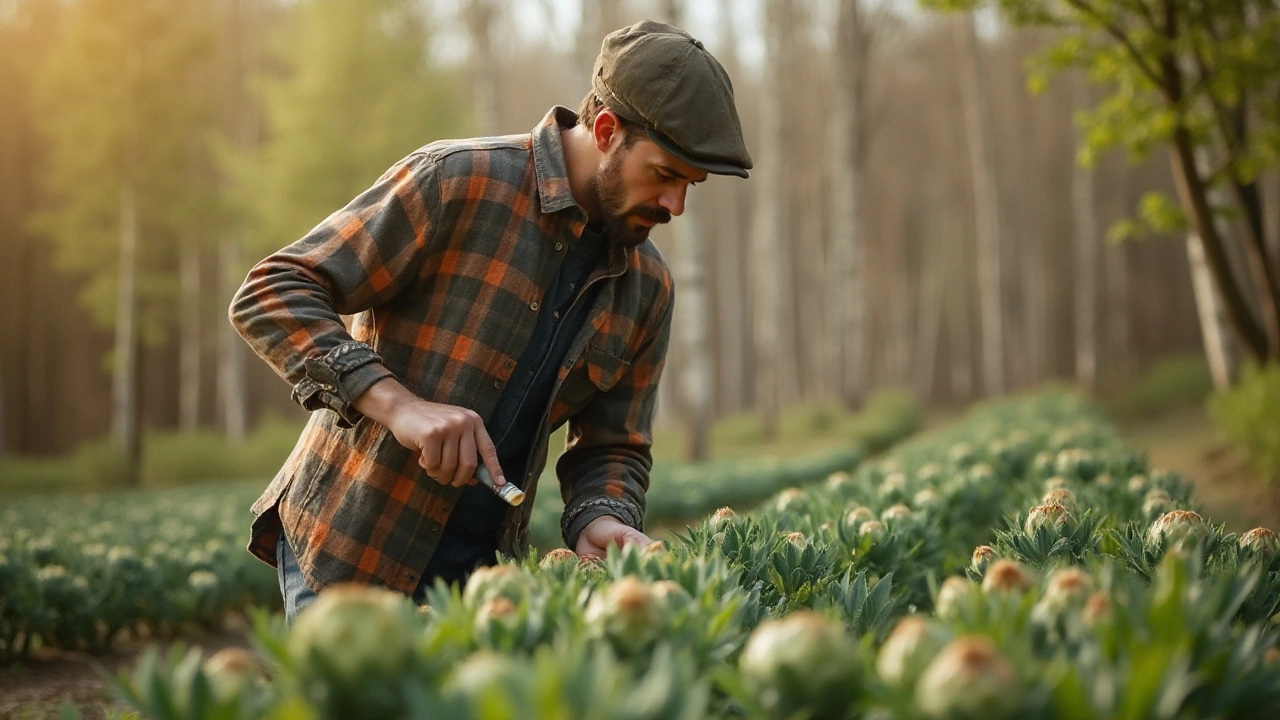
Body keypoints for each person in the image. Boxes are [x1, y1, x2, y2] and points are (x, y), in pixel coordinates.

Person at [229, 19, 752, 623]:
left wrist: (602, 515)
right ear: (606, 130)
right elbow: (272, 290)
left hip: (484, 589)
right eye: (664, 175)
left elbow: (616, 447)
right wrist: (398, 404)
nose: (676, 206)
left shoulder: (648, 288)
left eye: (691, 185)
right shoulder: (456, 180)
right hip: (350, 550)